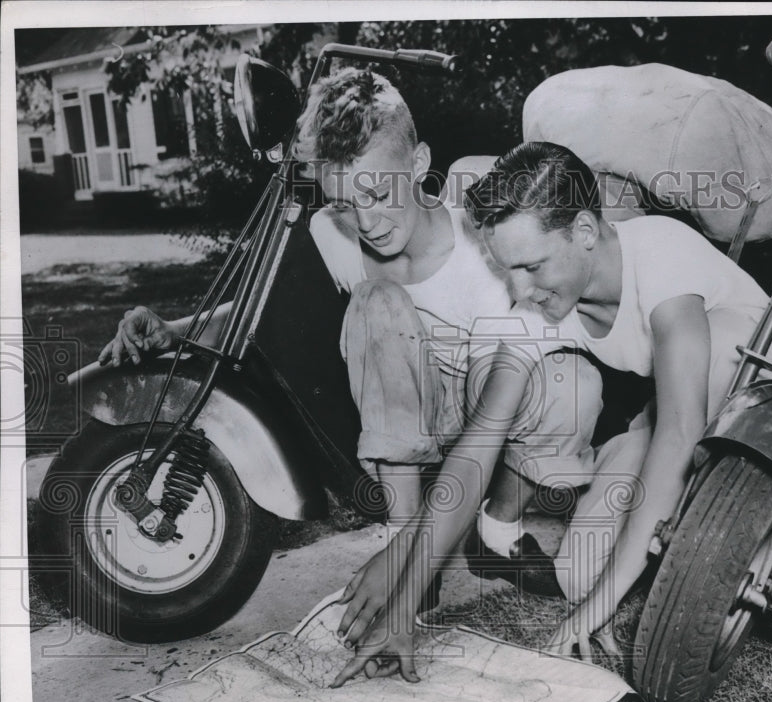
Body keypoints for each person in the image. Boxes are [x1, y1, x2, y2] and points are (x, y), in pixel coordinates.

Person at [98, 70, 604, 606]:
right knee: (377, 301)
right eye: (345, 201)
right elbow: (264, 312)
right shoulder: (331, 231)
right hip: (399, 417)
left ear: (418, 163)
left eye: (379, 194)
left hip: (489, 409)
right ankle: (408, 545)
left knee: (575, 383)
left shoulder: (481, 235)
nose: (368, 222)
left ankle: (496, 532)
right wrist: (174, 332)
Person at [332, 140, 772, 682]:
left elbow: (679, 431)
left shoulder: (663, 253)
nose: (519, 289)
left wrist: (596, 611)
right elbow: (475, 451)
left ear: (584, 231)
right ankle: (671, 515)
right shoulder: (538, 302)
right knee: (580, 573)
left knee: (719, 350)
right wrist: (404, 607)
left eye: (531, 266)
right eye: (505, 269)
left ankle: (752, 512)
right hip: (673, 419)